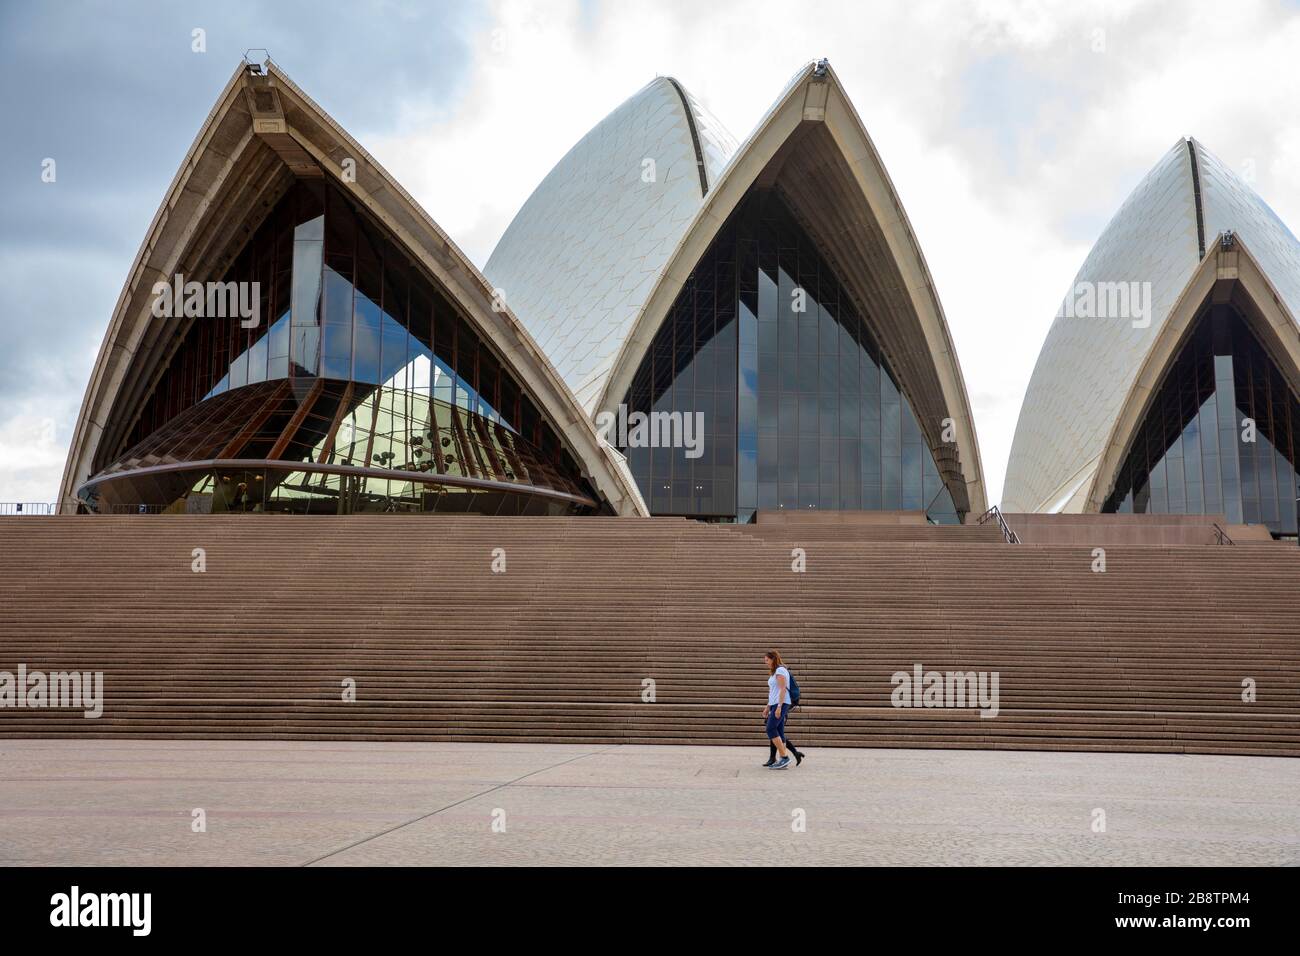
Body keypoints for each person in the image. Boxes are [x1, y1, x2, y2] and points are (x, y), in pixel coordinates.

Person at [763, 651, 805, 768]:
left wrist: (779, 707)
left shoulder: (780, 670)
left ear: (773, 659)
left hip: (781, 703)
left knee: (770, 728)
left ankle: (784, 757)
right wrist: (768, 706)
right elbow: (773, 692)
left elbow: (782, 689)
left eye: (767, 660)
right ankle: (783, 759)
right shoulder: (775, 672)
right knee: (780, 731)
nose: (765, 662)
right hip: (775, 703)